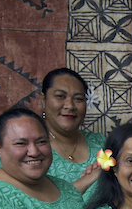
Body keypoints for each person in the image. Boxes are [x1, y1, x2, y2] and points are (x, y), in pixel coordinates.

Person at [40, 67, 105, 201]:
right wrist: (85, 182)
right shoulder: (34, 151)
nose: (70, 106)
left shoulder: (101, 144)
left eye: (78, 99)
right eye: (60, 96)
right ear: (43, 100)